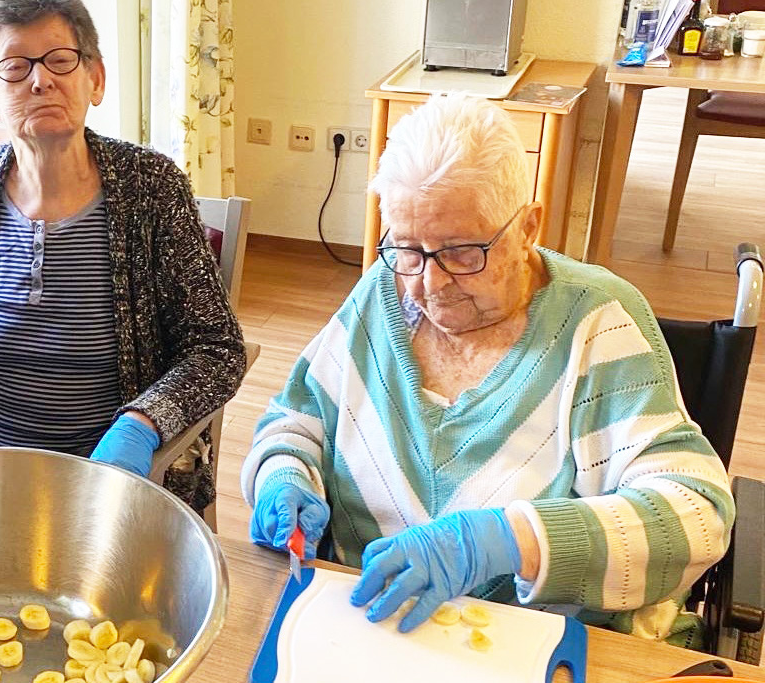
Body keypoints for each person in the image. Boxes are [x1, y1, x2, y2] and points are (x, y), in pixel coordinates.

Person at [241, 94, 733, 646]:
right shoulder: (383, 291)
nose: (428, 285)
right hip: (363, 625)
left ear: (527, 228)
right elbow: (296, 420)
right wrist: (282, 473)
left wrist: (511, 540)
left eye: (460, 252)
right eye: (407, 249)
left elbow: (698, 516)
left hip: (533, 647)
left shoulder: (596, 324)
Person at [0, 0, 246, 512]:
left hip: (99, 457)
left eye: (60, 60)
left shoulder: (152, 188)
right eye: (16, 67)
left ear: (95, 80)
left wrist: (142, 423)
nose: (41, 81)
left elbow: (216, 349)